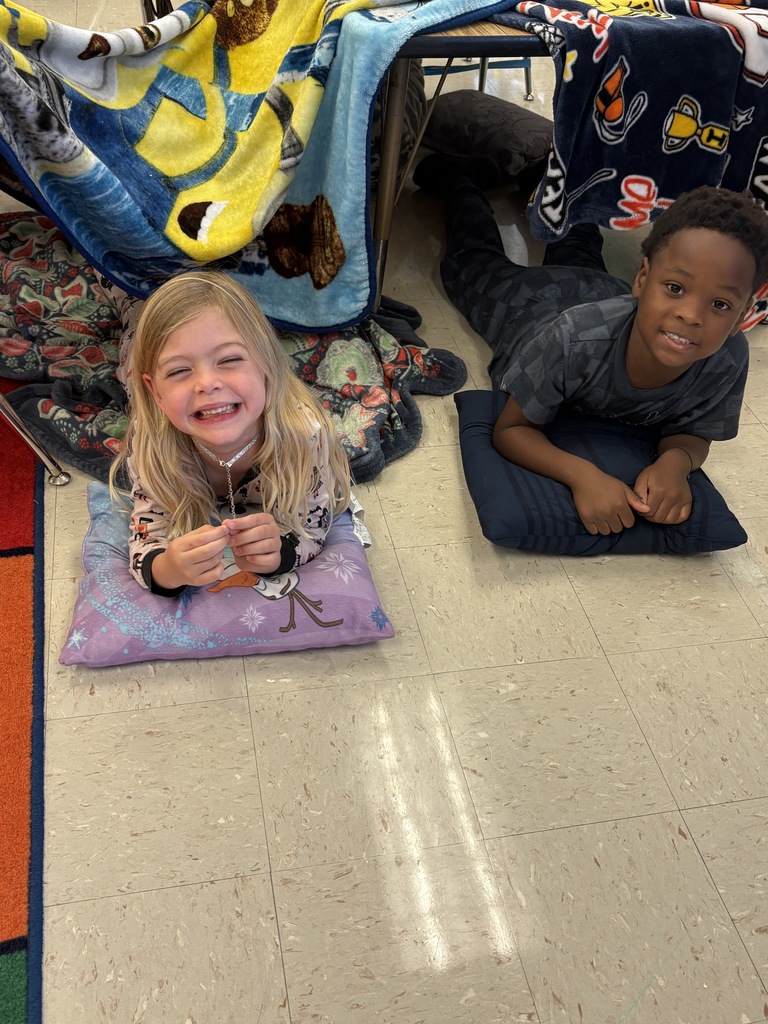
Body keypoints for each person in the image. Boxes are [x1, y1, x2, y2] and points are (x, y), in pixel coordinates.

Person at [414, 154, 768, 537]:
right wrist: (584, 476)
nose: (691, 315)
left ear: (744, 315)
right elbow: (511, 430)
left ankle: (548, 181)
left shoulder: (727, 360)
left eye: (720, 304)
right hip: (532, 307)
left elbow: (695, 432)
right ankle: (460, 181)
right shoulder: (572, 339)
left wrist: (676, 462)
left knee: (579, 250)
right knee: (471, 264)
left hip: (603, 294)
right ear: (643, 279)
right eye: (676, 288)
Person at [109, 271, 351, 596]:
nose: (207, 383)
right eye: (180, 370)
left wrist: (280, 553)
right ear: (156, 393)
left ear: (266, 364)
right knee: (130, 317)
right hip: (134, 353)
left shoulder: (303, 432)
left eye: (230, 359)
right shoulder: (152, 440)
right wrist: (168, 568)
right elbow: (146, 539)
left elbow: (313, 527)